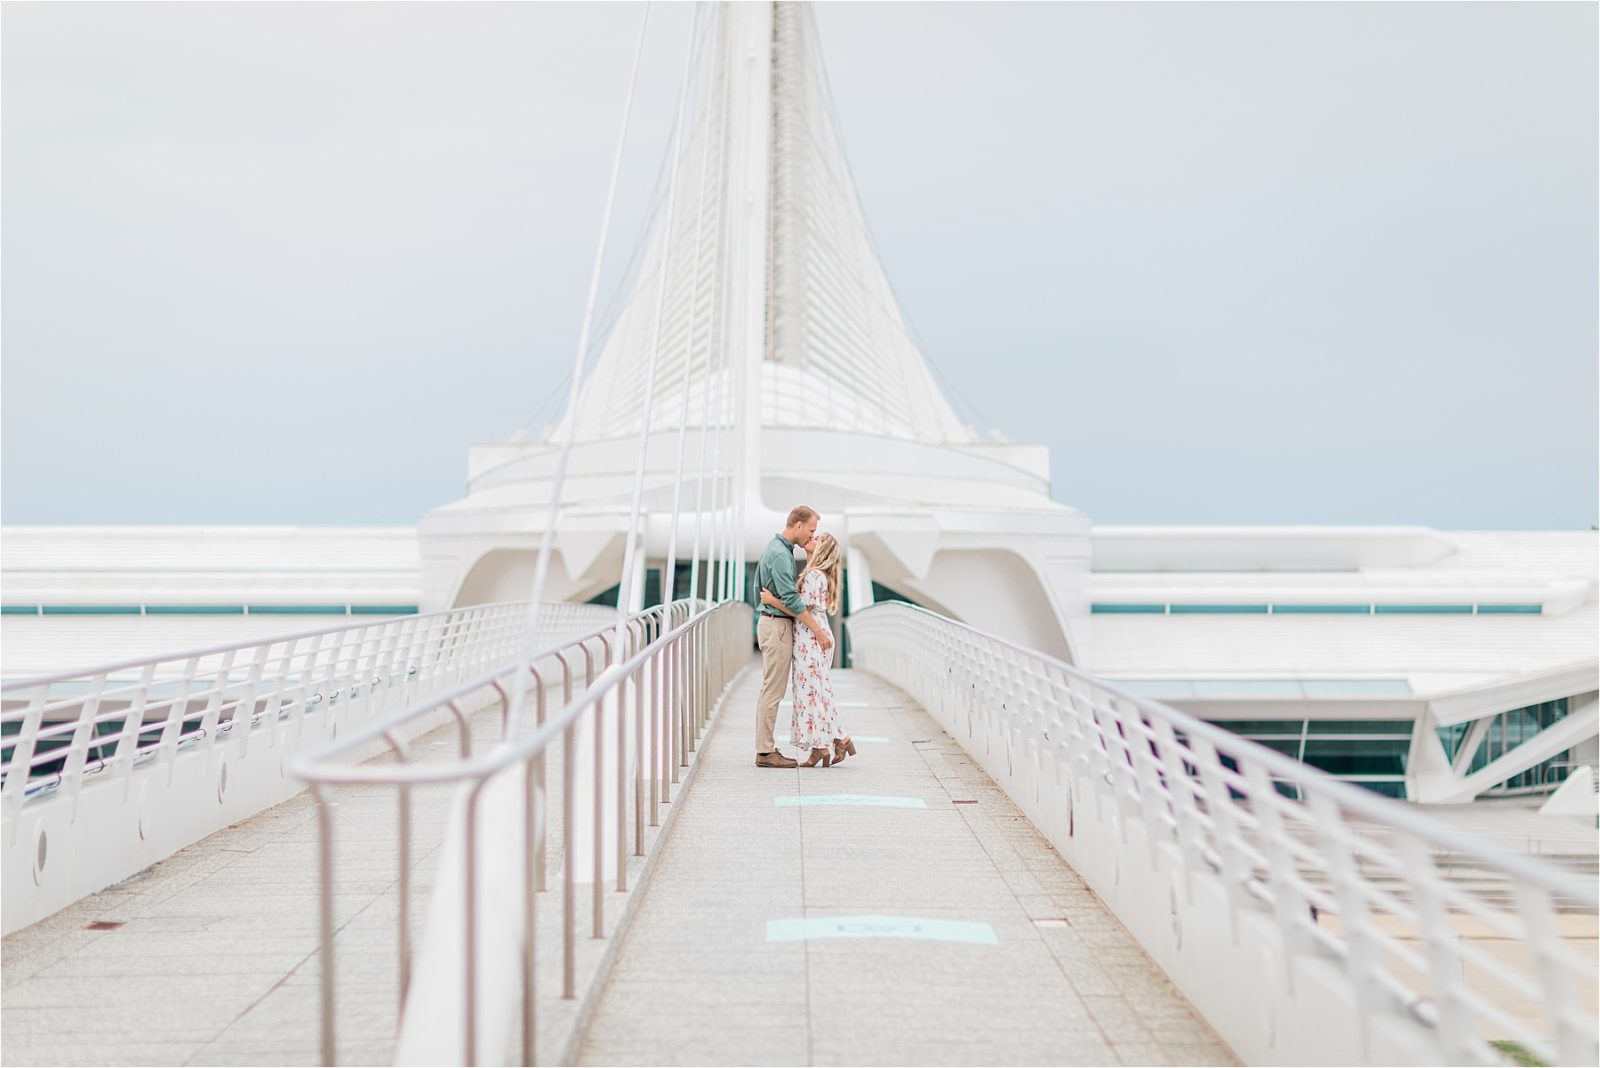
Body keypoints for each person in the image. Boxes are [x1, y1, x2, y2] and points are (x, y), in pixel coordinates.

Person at [761, 532, 854, 767]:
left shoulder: (813, 575)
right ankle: (825, 744)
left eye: (817, 538)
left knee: (810, 693)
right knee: (815, 692)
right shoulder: (817, 574)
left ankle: (831, 742)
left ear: (821, 549)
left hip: (811, 638)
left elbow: (801, 608)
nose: (811, 539)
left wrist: (772, 601)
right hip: (812, 636)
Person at [752, 506, 830, 768]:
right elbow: (793, 602)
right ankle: (765, 752)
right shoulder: (781, 555)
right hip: (777, 626)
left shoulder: (775, 549)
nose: (811, 535)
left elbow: (758, 589)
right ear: (797, 525)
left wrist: (770, 602)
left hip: (773, 622)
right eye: (810, 530)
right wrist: (818, 631)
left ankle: (766, 748)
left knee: (772, 688)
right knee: (773, 690)